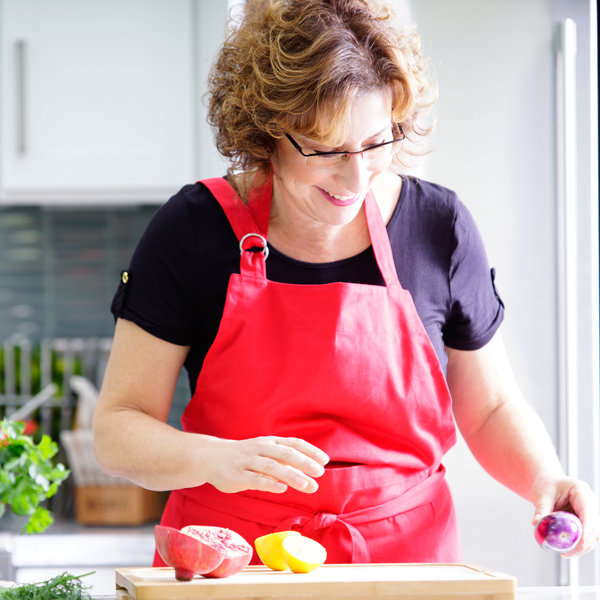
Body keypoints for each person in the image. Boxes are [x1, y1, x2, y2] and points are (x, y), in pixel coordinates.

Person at [93, 0, 599, 565]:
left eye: (377, 142)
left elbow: (490, 408)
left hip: (404, 561)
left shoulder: (438, 227)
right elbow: (117, 430)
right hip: (233, 565)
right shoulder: (193, 229)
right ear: (267, 133)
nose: (356, 177)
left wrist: (545, 477)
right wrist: (213, 459)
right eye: (327, 149)